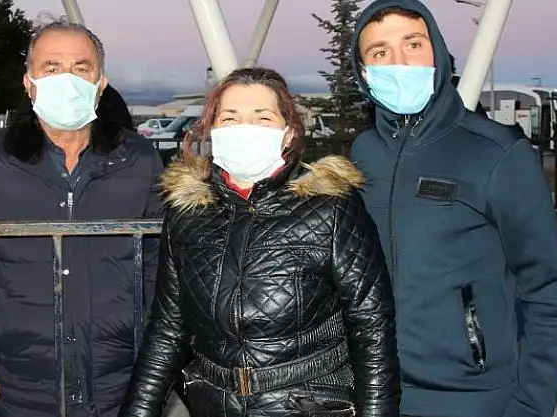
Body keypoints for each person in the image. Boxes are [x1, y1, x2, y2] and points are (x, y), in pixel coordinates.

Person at [119, 67, 400, 417]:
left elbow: (371, 325)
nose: (244, 128)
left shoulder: (331, 207)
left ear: (288, 132)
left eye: (262, 117)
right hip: (215, 405)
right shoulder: (188, 213)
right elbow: (167, 328)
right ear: (212, 130)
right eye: (229, 118)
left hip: (308, 404)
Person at [349, 1, 557, 417]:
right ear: (364, 72)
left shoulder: (497, 152)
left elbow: (547, 286)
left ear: (437, 52)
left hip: (471, 396)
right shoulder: (363, 153)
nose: (400, 62)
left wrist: (531, 403)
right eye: (380, 52)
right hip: (374, 390)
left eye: (413, 44)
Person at [0, 20, 163, 416]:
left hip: (119, 382)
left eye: (80, 68)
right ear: (29, 83)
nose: (66, 80)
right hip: (19, 383)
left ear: (101, 84)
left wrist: (157, 365)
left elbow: (161, 269)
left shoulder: (139, 160)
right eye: (52, 68)